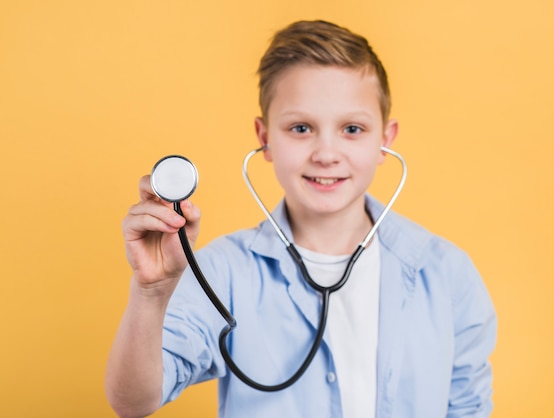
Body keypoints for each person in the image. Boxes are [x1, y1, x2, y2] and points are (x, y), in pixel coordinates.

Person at [105, 20, 497, 418]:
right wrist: (151, 293)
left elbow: (467, 408)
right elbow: (133, 402)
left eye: (352, 128)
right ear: (265, 138)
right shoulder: (223, 273)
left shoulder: (447, 273)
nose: (326, 153)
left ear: (385, 140)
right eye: (301, 128)